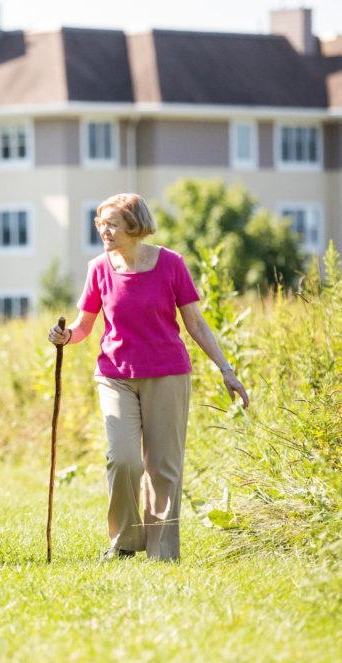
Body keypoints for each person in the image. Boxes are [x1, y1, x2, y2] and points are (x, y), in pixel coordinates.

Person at [47, 193, 248, 562]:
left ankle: (162, 553)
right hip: (115, 375)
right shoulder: (99, 268)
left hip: (168, 374)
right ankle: (124, 541)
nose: (103, 230)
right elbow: (84, 325)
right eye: (99, 223)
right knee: (122, 459)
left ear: (134, 226)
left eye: (111, 224)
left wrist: (226, 369)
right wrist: (66, 336)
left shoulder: (171, 264)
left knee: (163, 466)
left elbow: (196, 324)